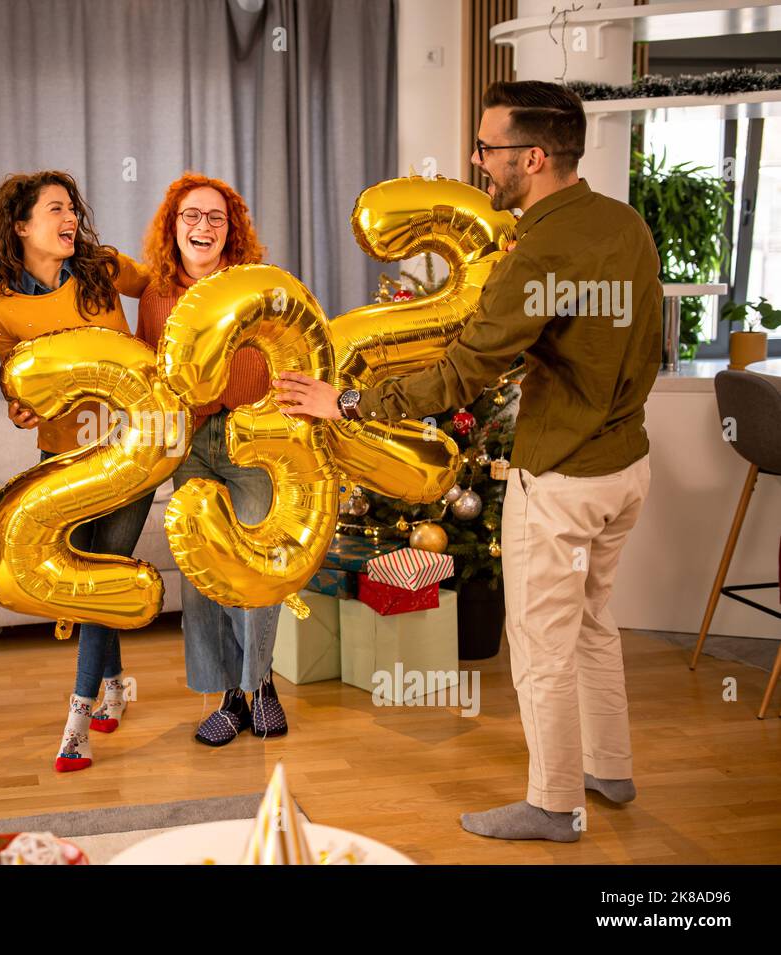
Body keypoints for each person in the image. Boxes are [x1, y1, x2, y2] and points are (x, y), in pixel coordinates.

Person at [276, 81, 662, 842]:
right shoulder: (624, 225)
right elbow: (641, 340)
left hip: (563, 475)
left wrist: (347, 403)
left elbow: (463, 371)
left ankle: (553, 803)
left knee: (542, 642)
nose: (478, 161)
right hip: (628, 466)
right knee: (592, 622)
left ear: (535, 155)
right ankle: (609, 767)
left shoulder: (539, 249)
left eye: (488, 147)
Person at [0, 170, 152, 773]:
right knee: (83, 577)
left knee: (102, 574)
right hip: (64, 460)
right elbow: (19, 386)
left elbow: (166, 292)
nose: (70, 217)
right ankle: (114, 685)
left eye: (72, 206)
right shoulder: (1, 306)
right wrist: (25, 408)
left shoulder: (104, 268)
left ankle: (77, 719)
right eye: (56, 209)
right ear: (22, 226)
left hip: (135, 448)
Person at [134, 172, 284, 746]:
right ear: (174, 228)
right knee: (204, 574)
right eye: (191, 216)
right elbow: (153, 376)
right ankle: (227, 696)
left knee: (256, 565)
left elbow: (286, 355)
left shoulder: (257, 287)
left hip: (254, 439)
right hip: (191, 446)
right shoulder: (156, 295)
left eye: (216, 218)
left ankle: (261, 684)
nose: (203, 227)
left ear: (232, 229)